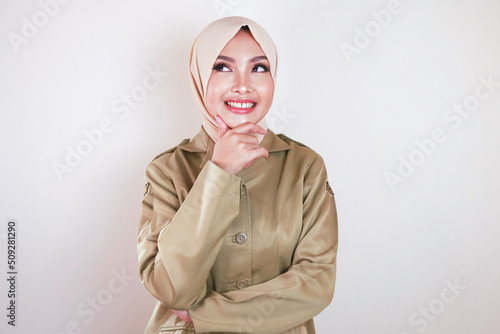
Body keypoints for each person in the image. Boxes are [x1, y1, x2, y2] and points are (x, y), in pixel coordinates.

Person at [137, 16, 338, 334]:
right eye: (222, 67)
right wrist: (219, 172)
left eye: (259, 68)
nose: (243, 84)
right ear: (200, 77)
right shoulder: (167, 171)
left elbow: (317, 283)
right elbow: (171, 288)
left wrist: (205, 315)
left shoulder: (305, 166)